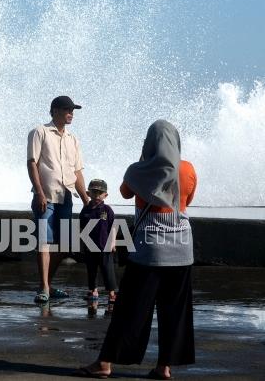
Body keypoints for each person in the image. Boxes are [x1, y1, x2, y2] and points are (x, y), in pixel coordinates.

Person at [77, 120, 197, 380]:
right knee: (174, 312)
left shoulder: (137, 171)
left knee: (130, 309)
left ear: (149, 142)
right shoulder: (188, 169)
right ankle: (164, 367)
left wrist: (144, 159)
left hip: (149, 250)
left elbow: (125, 192)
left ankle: (105, 363)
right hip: (182, 250)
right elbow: (188, 199)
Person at [26, 95, 90, 303]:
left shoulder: (73, 139)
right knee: (45, 242)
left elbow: (77, 173)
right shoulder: (40, 131)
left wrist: (87, 200)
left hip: (66, 198)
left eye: (72, 110)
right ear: (54, 111)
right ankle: (44, 287)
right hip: (46, 197)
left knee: (63, 246)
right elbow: (32, 163)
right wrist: (39, 192)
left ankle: (47, 285)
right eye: (67, 109)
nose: (71, 113)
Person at [78, 179, 117, 306]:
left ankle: (112, 293)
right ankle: (93, 291)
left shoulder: (107, 210)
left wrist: (113, 243)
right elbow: (81, 228)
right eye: (94, 193)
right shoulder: (85, 211)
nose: (97, 196)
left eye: (100, 193)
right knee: (91, 269)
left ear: (105, 195)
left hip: (105, 246)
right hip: (90, 246)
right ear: (88, 194)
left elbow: (113, 227)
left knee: (107, 269)